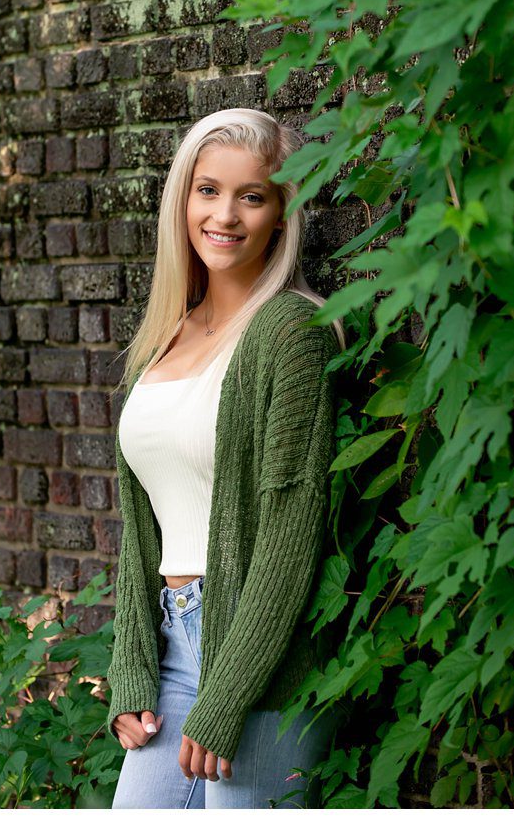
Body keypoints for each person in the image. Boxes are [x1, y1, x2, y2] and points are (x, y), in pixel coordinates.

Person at [107, 108, 340, 810]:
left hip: (261, 658)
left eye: (252, 195)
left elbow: (290, 532)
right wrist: (132, 665)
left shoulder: (292, 333)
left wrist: (230, 692)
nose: (225, 215)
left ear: (281, 211)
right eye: (208, 190)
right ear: (184, 199)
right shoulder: (164, 338)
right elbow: (140, 524)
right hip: (174, 645)